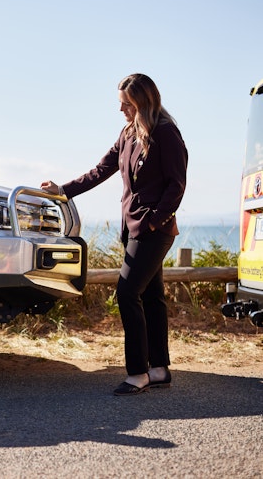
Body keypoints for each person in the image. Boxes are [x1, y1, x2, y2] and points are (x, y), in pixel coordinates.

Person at [41, 74, 188, 396]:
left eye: (126, 103)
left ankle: (138, 373)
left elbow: (177, 184)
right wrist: (63, 190)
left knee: (127, 293)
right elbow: (101, 170)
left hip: (153, 230)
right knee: (151, 296)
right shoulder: (127, 133)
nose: (121, 108)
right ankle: (159, 368)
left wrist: (154, 220)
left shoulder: (166, 132)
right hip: (131, 227)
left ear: (142, 102)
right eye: (120, 102)